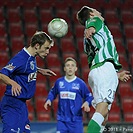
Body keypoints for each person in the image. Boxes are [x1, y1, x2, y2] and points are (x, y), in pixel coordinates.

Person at [76, 6, 132, 133]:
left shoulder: (87, 41)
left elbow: (93, 60)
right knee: (102, 108)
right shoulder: (95, 21)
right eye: (95, 11)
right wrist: (90, 28)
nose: (99, 12)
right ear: (91, 14)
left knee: (104, 116)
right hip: (104, 68)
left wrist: (115, 75)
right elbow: (93, 23)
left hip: (99, 70)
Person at [0, 31, 56, 133]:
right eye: (46, 48)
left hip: (21, 106)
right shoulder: (21, 58)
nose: (48, 51)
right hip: (12, 104)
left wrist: (39, 70)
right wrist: (12, 83)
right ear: (37, 46)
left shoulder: (31, 57)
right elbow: (2, 74)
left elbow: (24, 68)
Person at [44, 57, 93, 133]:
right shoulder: (59, 82)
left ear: (76, 68)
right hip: (62, 121)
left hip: (76, 121)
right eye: (68, 65)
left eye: (72, 65)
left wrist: (87, 103)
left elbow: (89, 96)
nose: (70, 67)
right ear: (64, 68)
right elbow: (52, 93)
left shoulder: (80, 83)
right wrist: (49, 100)